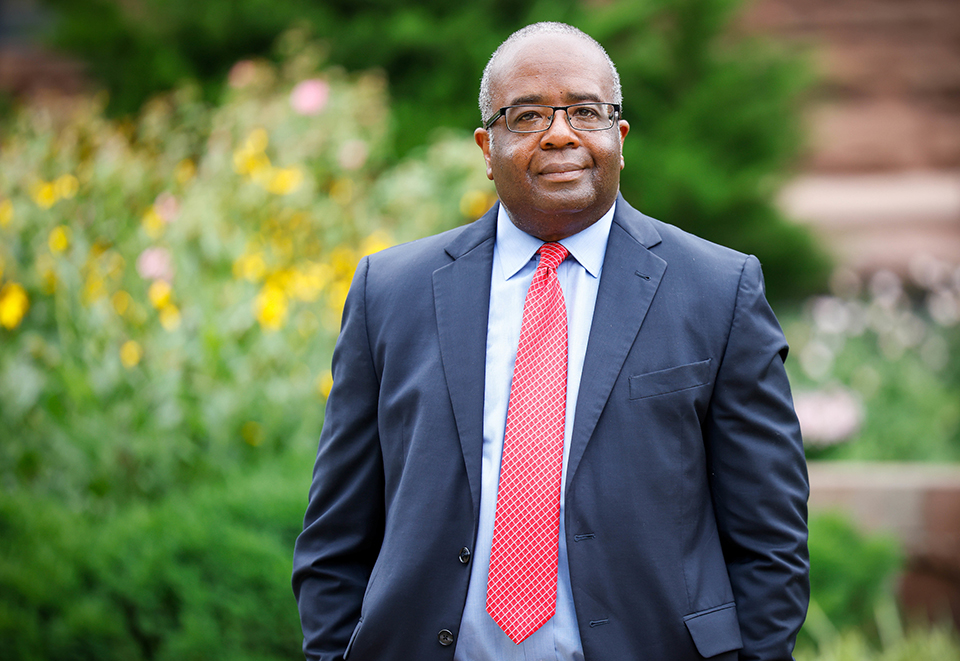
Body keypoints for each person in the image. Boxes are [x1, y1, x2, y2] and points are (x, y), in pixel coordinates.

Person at [292, 21, 809, 661]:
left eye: (585, 112)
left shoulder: (717, 290)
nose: (559, 133)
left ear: (619, 138)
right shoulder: (389, 293)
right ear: (487, 146)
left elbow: (771, 540)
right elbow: (335, 536)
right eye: (527, 115)